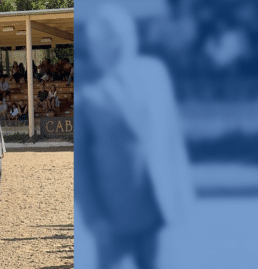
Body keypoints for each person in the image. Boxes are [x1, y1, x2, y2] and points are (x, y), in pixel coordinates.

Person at [76, 3, 195, 269]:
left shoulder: (155, 73)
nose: (117, 46)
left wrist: (179, 192)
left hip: (156, 205)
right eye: (107, 41)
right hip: (113, 217)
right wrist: (94, 218)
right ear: (96, 47)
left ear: (131, 39)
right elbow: (80, 164)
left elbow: (170, 136)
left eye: (121, 37)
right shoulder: (87, 93)